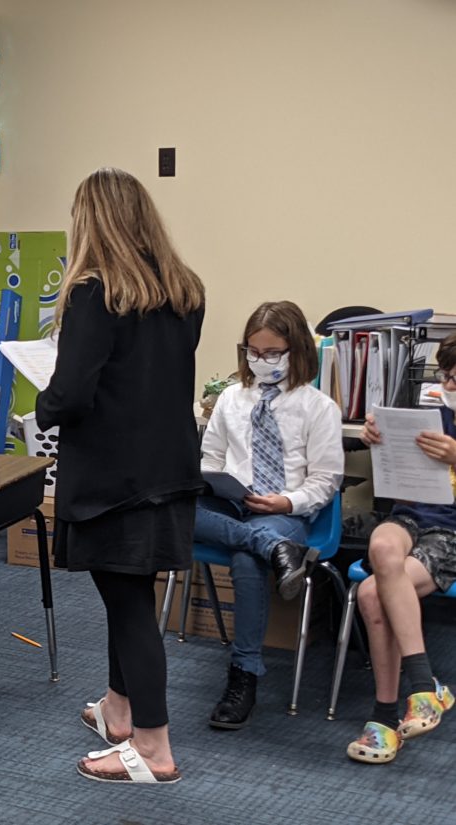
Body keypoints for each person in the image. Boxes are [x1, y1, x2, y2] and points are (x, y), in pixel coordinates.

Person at [36, 167, 205, 784]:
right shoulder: (186, 291)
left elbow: (72, 394)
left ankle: (154, 748)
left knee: (129, 605)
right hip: (170, 468)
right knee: (127, 594)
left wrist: (44, 406)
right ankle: (119, 709)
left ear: (92, 223)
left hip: (113, 478)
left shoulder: (94, 293)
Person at [197, 301, 343, 730]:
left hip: (283, 509)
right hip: (230, 505)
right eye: (253, 352)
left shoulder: (319, 407)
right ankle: (277, 549)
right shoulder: (230, 398)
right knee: (166, 508)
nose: (261, 361)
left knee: (247, 560)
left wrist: (286, 503)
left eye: (273, 353)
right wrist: (217, 482)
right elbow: (211, 459)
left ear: (297, 351)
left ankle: (243, 674)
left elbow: (325, 481)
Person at [346, 332, 456, 764]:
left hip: (451, 533)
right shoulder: (432, 414)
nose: (449, 386)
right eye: (446, 376)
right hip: (411, 516)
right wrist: (377, 435)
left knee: (372, 593)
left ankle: (384, 716)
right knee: (381, 544)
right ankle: (424, 690)